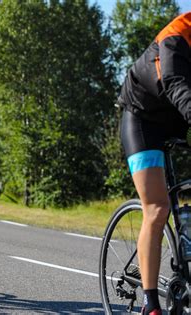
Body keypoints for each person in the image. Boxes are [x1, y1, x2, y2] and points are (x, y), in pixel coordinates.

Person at [117, 12, 191, 315]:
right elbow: (175, 84)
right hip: (142, 121)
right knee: (157, 208)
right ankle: (150, 304)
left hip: (175, 122)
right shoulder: (175, 36)